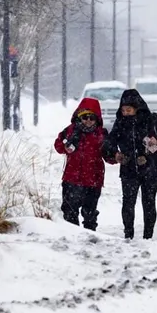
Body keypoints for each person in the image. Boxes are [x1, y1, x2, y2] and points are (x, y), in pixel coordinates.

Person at [101, 88, 157, 240]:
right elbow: (109, 143)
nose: (126, 113)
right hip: (128, 169)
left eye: (129, 110)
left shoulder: (151, 120)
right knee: (128, 203)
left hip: (149, 168)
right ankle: (128, 234)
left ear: (137, 108)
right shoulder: (120, 123)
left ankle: (148, 235)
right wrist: (116, 154)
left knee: (149, 203)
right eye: (123, 110)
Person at [54, 98, 107, 231]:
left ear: (97, 119)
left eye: (92, 118)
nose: (88, 121)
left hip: (93, 180)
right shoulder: (70, 131)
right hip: (72, 179)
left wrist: (116, 156)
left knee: (90, 212)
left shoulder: (101, 134)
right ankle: (73, 236)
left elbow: (108, 154)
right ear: (79, 116)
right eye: (85, 117)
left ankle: (90, 234)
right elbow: (58, 145)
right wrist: (65, 146)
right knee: (69, 210)